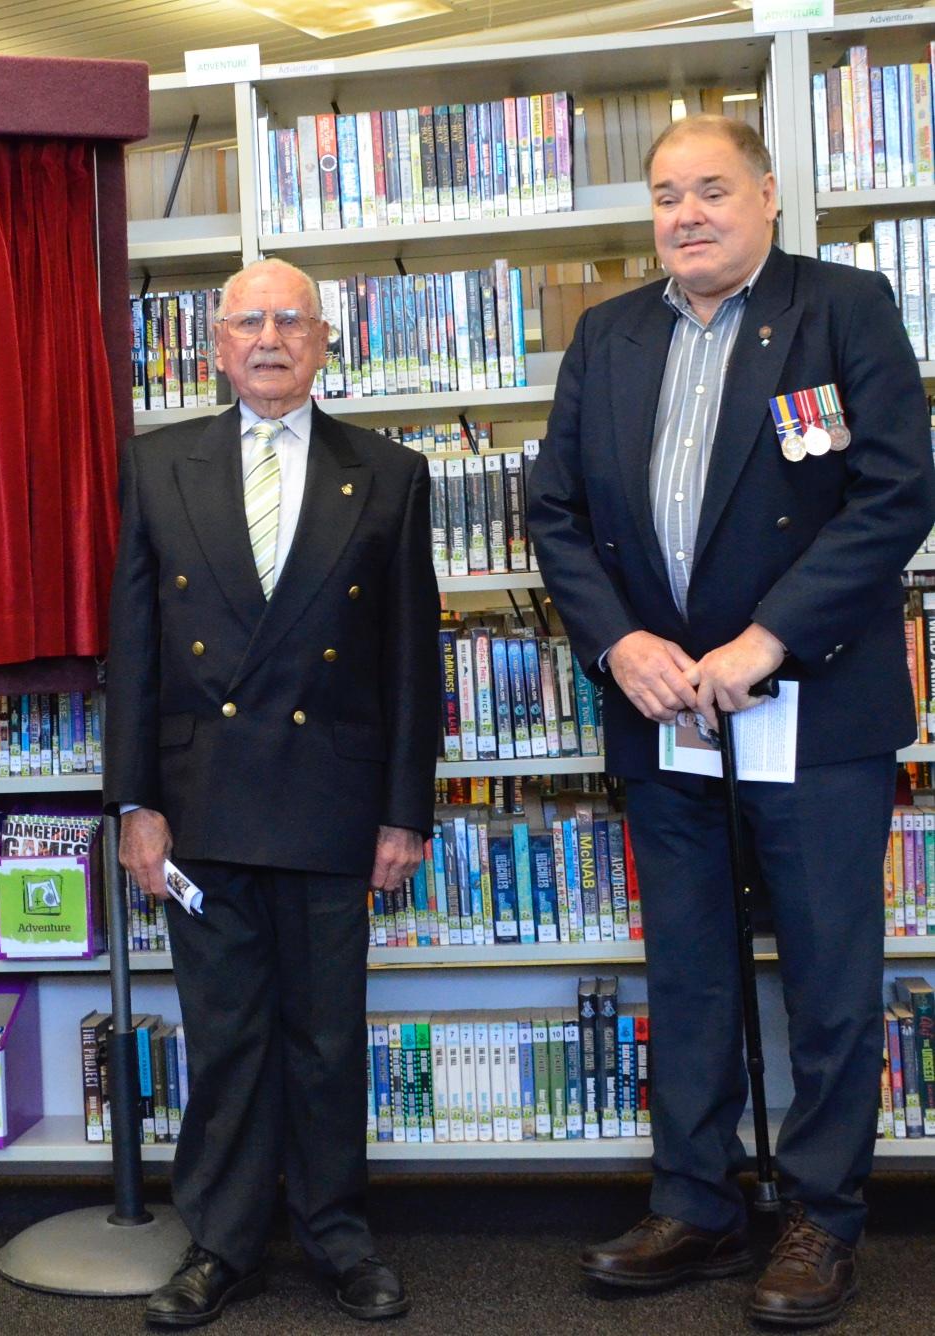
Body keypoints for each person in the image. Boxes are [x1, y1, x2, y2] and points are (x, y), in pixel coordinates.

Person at [528, 113, 935, 1329]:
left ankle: (821, 1217)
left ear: (767, 194)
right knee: (690, 965)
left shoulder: (841, 308)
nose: (686, 214)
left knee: (828, 971)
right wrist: (622, 644)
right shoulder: (607, 335)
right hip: (666, 710)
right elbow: (553, 512)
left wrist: (768, 641)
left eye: (711, 188)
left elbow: (896, 490)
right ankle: (697, 1200)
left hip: (809, 701)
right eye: (665, 195)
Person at [105, 257, 440, 1327]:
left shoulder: (387, 471)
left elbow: (409, 658)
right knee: (227, 1034)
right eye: (247, 320)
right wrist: (135, 802)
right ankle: (225, 1243)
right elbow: (136, 648)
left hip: (334, 804)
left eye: (290, 319)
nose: (268, 336)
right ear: (213, 345)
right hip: (203, 806)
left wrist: (406, 808)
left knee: (330, 1035)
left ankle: (341, 1236)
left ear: (324, 340)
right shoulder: (159, 468)